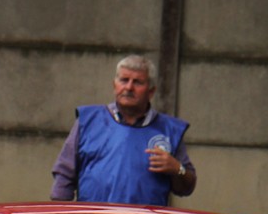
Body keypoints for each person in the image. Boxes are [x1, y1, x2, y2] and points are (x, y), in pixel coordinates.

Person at [50, 55, 196, 205]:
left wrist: (177, 169)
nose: (129, 87)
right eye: (124, 80)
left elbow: (187, 187)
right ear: (115, 85)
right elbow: (64, 176)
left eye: (137, 82)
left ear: (151, 91)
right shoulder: (88, 121)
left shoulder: (168, 130)